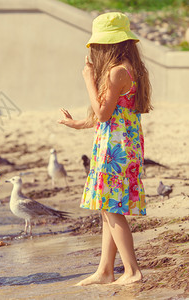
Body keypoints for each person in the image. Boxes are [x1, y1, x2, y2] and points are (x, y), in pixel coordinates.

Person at [58, 12, 152, 286]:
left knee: (112, 207)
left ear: (108, 45)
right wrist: (76, 124)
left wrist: (88, 78)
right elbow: (109, 114)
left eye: (98, 45)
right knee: (107, 206)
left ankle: (132, 271)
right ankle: (105, 270)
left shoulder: (116, 72)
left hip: (116, 148)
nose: (95, 51)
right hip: (120, 143)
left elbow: (102, 113)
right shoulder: (127, 68)